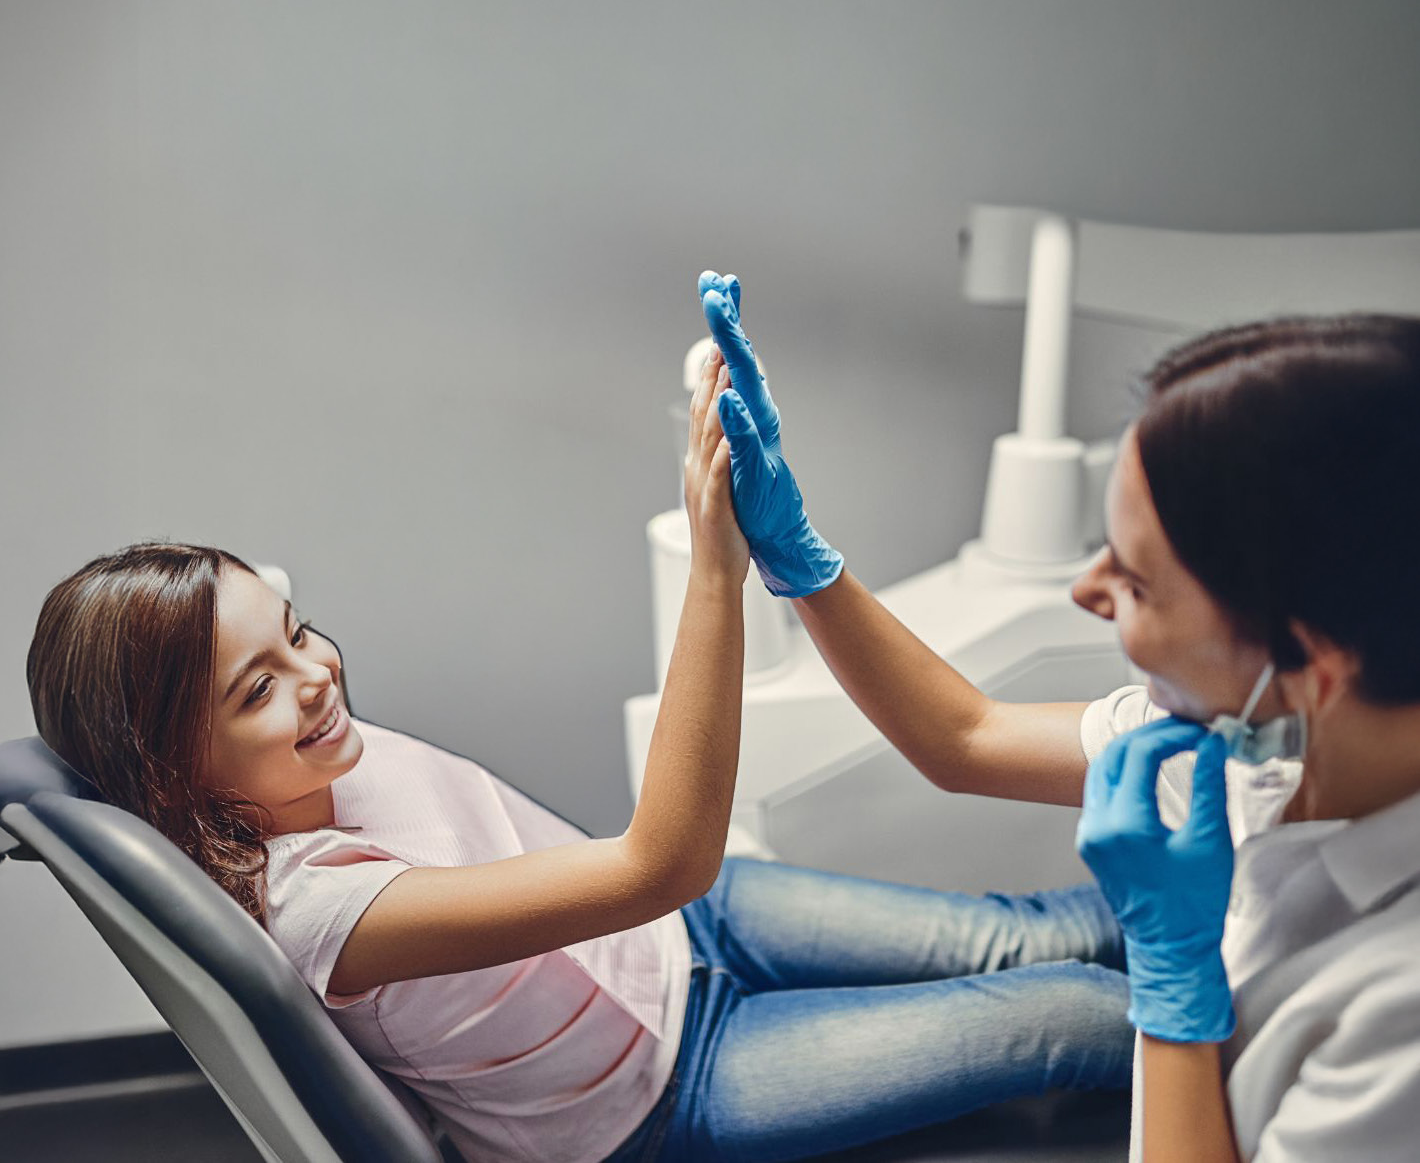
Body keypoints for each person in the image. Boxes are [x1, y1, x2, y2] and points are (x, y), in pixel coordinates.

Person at [24, 328, 1136, 1163]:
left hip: (684, 927)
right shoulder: (326, 907)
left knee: (1034, 932)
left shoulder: (302, 744)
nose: (315, 674)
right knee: (1071, 1018)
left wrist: (709, 420)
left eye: (298, 632)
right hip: (668, 1088)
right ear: (173, 767)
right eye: (258, 686)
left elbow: (670, 892)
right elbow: (660, 857)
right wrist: (716, 558)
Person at [697, 270, 1420, 1162]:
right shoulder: (1267, 737)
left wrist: (1174, 987)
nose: (1087, 589)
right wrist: (802, 560)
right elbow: (967, 738)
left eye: (1137, 581)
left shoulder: (1402, 1016)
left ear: (1311, 661)